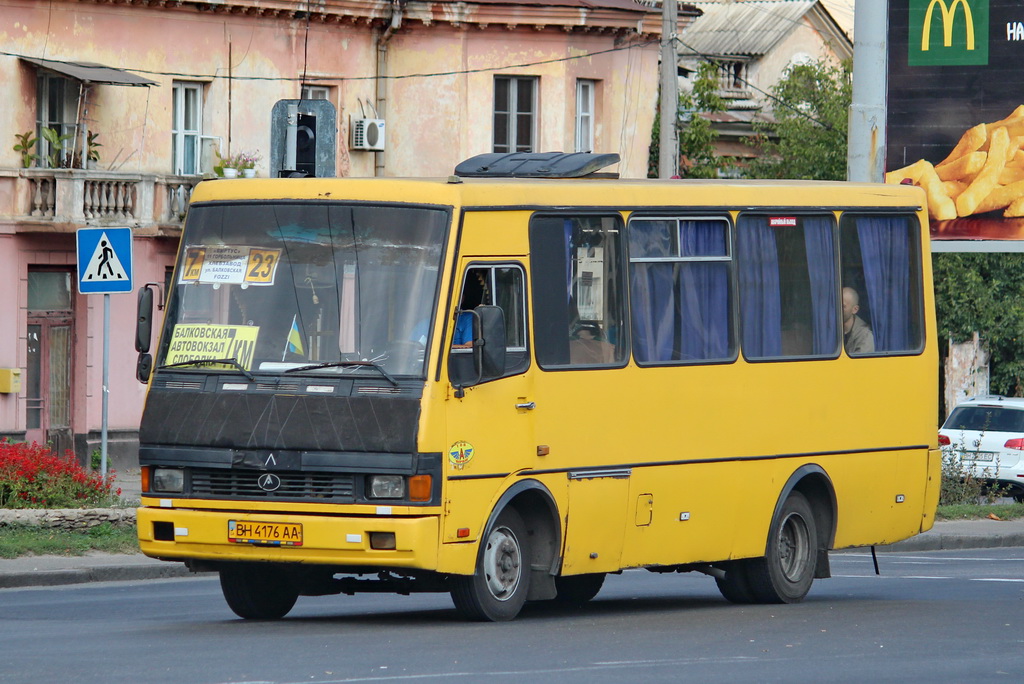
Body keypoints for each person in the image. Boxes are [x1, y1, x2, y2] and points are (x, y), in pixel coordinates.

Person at [842, 286, 874, 354]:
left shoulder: (864, 336)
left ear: (855, 309)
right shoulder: (831, 331)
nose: (838, 309)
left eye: (843, 306)